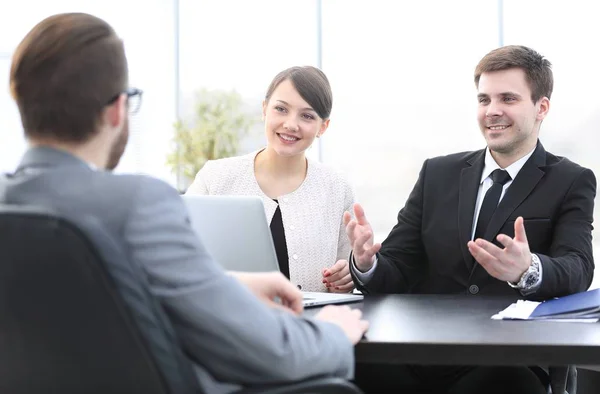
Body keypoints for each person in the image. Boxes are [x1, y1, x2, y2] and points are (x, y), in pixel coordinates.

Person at [1, 13, 368, 394]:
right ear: (117, 109)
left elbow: (108, 288)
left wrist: (229, 284)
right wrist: (330, 333)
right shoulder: (141, 204)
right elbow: (268, 352)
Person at [346, 45, 596, 393]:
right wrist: (366, 262)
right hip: (421, 349)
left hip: (507, 360)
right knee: (347, 370)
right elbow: (399, 267)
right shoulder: (438, 173)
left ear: (542, 107)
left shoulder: (571, 180)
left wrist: (528, 269)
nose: (492, 111)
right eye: (484, 100)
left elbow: (578, 268)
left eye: (508, 98)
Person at [186, 66, 355, 293]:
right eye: (281, 109)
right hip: (227, 320)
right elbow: (180, 256)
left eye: (306, 116)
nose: (290, 124)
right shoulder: (215, 177)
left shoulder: (337, 188)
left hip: (310, 324)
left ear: (322, 127)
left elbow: (348, 276)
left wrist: (346, 277)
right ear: (265, 109)